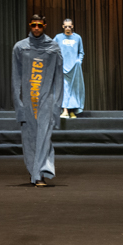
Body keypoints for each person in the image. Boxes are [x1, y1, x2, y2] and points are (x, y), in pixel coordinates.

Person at [12, 14, 63, 187]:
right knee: (29, 138)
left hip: (46, 99)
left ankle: (39, 174)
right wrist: (18, 103)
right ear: (30, 25)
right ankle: (34, 171)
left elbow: (59, 77)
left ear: (44, 26)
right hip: (28, 100)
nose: (36, 28)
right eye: (33, 25)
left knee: (44, 136)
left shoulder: (53, 48)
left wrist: (57, 104)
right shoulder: (20, 47)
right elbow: (15, 77)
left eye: (39, 25)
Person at [54, 18, 85, 118]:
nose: (67, 28)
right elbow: (52, 49)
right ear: (63, 26)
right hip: (62, 67)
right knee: (64, 88)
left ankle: (72, 111)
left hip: (74, 68)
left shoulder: (77, 38)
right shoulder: (58, 37)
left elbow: (81, 52)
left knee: (73, 89)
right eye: (66, 26)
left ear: (72, 26)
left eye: (69, 26)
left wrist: (79, 61)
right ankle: (65, 110)